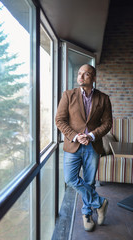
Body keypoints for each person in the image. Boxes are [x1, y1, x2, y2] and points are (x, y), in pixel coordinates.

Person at [55, 64, 112, 232]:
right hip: (73, 145)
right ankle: (100, 203)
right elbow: (59, 120)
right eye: (79, 73)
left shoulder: (103, 98)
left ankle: (87, 214)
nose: (81, 76)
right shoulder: (68, 95)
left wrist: (91, 135)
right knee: (70, 179)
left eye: (86, 74)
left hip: (92, 146)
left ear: (93, 78)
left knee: (89, 182)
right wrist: (75, 135)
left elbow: (108, 123)